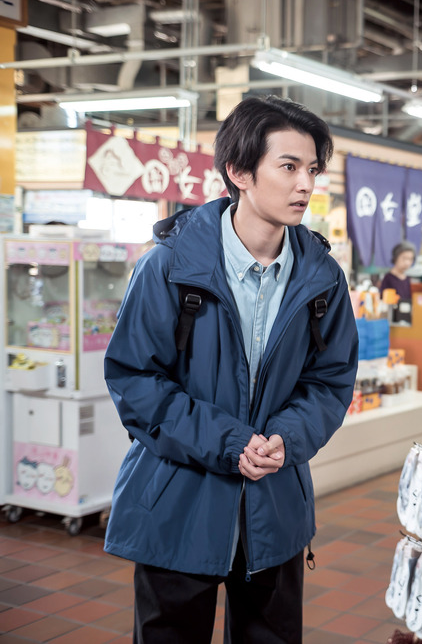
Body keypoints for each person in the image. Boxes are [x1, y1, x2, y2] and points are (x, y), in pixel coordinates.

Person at [102, 95, 359, 643]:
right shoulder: (169, 268)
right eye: (288, 167)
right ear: (239, 172)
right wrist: (229, 441)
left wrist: (285, 439)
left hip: (275, 511)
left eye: (312, 169)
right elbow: (134, 379)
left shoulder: (323, 280)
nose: (305, 185)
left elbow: (331, 381)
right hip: (177, 506)